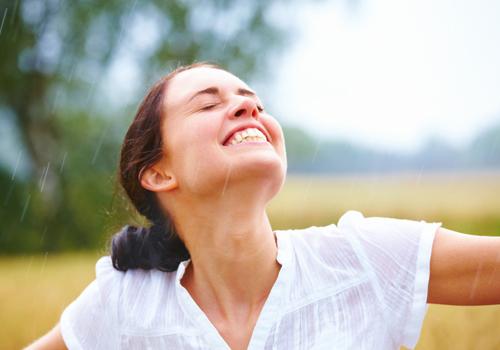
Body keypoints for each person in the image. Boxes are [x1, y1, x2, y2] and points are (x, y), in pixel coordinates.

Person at [25, 62, 500, 350]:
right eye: (208, 104)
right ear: (159, 173)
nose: (246, 108)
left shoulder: (365, 257)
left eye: (253, 101)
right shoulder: (123, 302)